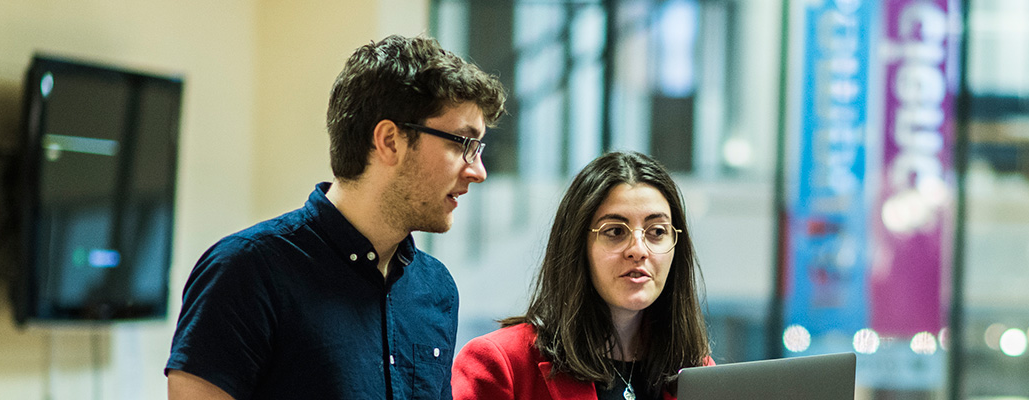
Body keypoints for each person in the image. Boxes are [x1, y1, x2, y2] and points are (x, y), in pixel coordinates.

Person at [165, 34, 506, 400]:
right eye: (462, 143)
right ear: (390, 141)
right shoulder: (246, 270)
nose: (478, 171)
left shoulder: (436, 289)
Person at [451, 151, 713, 400]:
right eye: (615, 231)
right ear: (578, 246)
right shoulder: (502, 364)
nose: (638, 250)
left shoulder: (698, 370)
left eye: (656, 231)